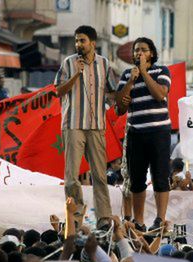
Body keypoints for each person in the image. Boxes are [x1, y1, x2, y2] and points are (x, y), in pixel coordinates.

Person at [54, 25, 115, 230]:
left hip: (97, 126)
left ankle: (104, 218)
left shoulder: (105, 64)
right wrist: (76, 75)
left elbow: (112, 93)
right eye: (77, 40)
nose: (78, 44)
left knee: (99, 175)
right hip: (73, 124)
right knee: (72, 176)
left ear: (93, 43)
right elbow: (58, 91)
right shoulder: (69, 63)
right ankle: (76, 215)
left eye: (82, 40)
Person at [116, 37, 172, 231]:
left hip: (159, 132)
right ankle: (138, 221)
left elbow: (159, 94)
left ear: (151, 54)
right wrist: (132, 80)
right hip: (136, 134)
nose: (139, 52)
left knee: (160, 177)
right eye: (136, 50)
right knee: (136, 179)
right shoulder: (126, 74)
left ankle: (159, 219)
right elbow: (120, 107)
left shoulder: (161, 71)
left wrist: (144, 74)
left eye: (143, 49)